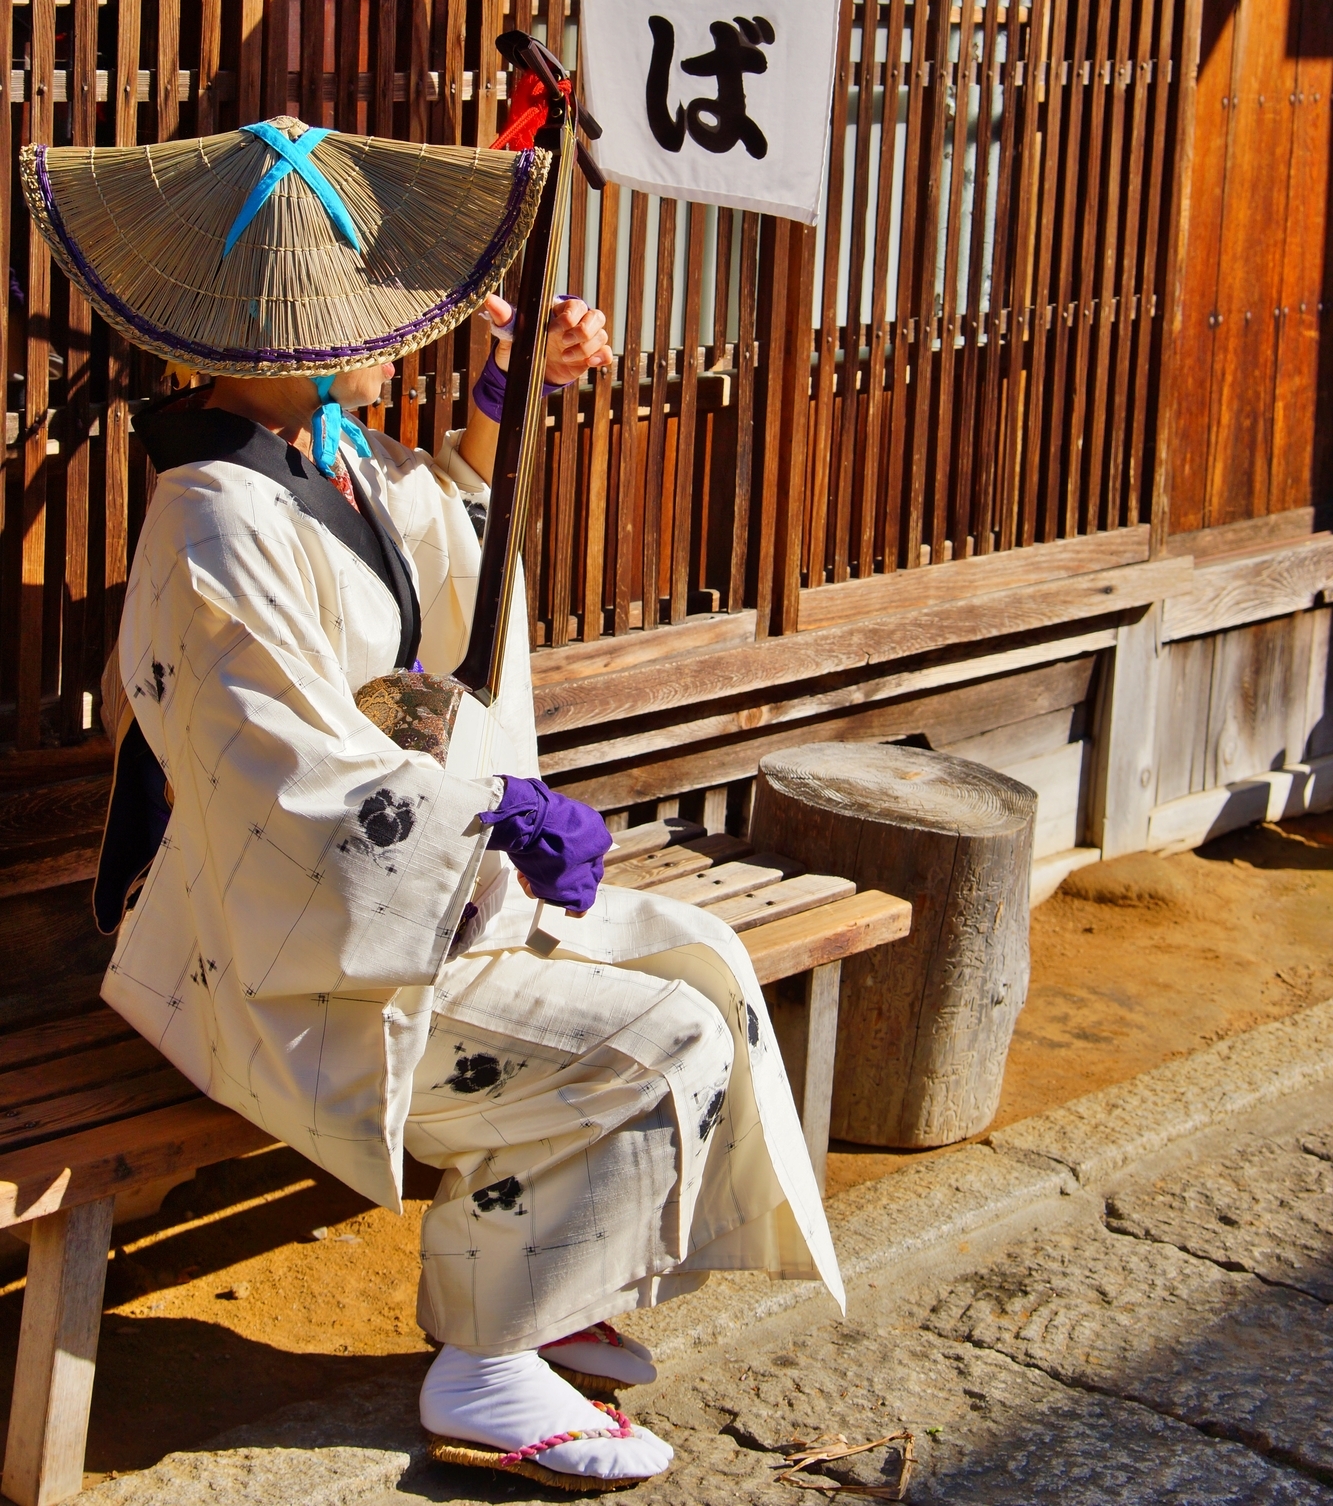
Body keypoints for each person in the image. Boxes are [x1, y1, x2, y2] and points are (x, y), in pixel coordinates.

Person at [22, 117, 844, 1493]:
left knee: (704, 973)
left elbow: (443, 530)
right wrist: (484, 825)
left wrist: (499, 400)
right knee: (645, 1048)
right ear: (301, 342)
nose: (406, 327)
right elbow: (281, 785)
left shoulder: (325, 460)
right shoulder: (215, 515)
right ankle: (486, 1361)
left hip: (383, 905)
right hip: (274, 955)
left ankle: (557, 1269)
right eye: (384, 309)